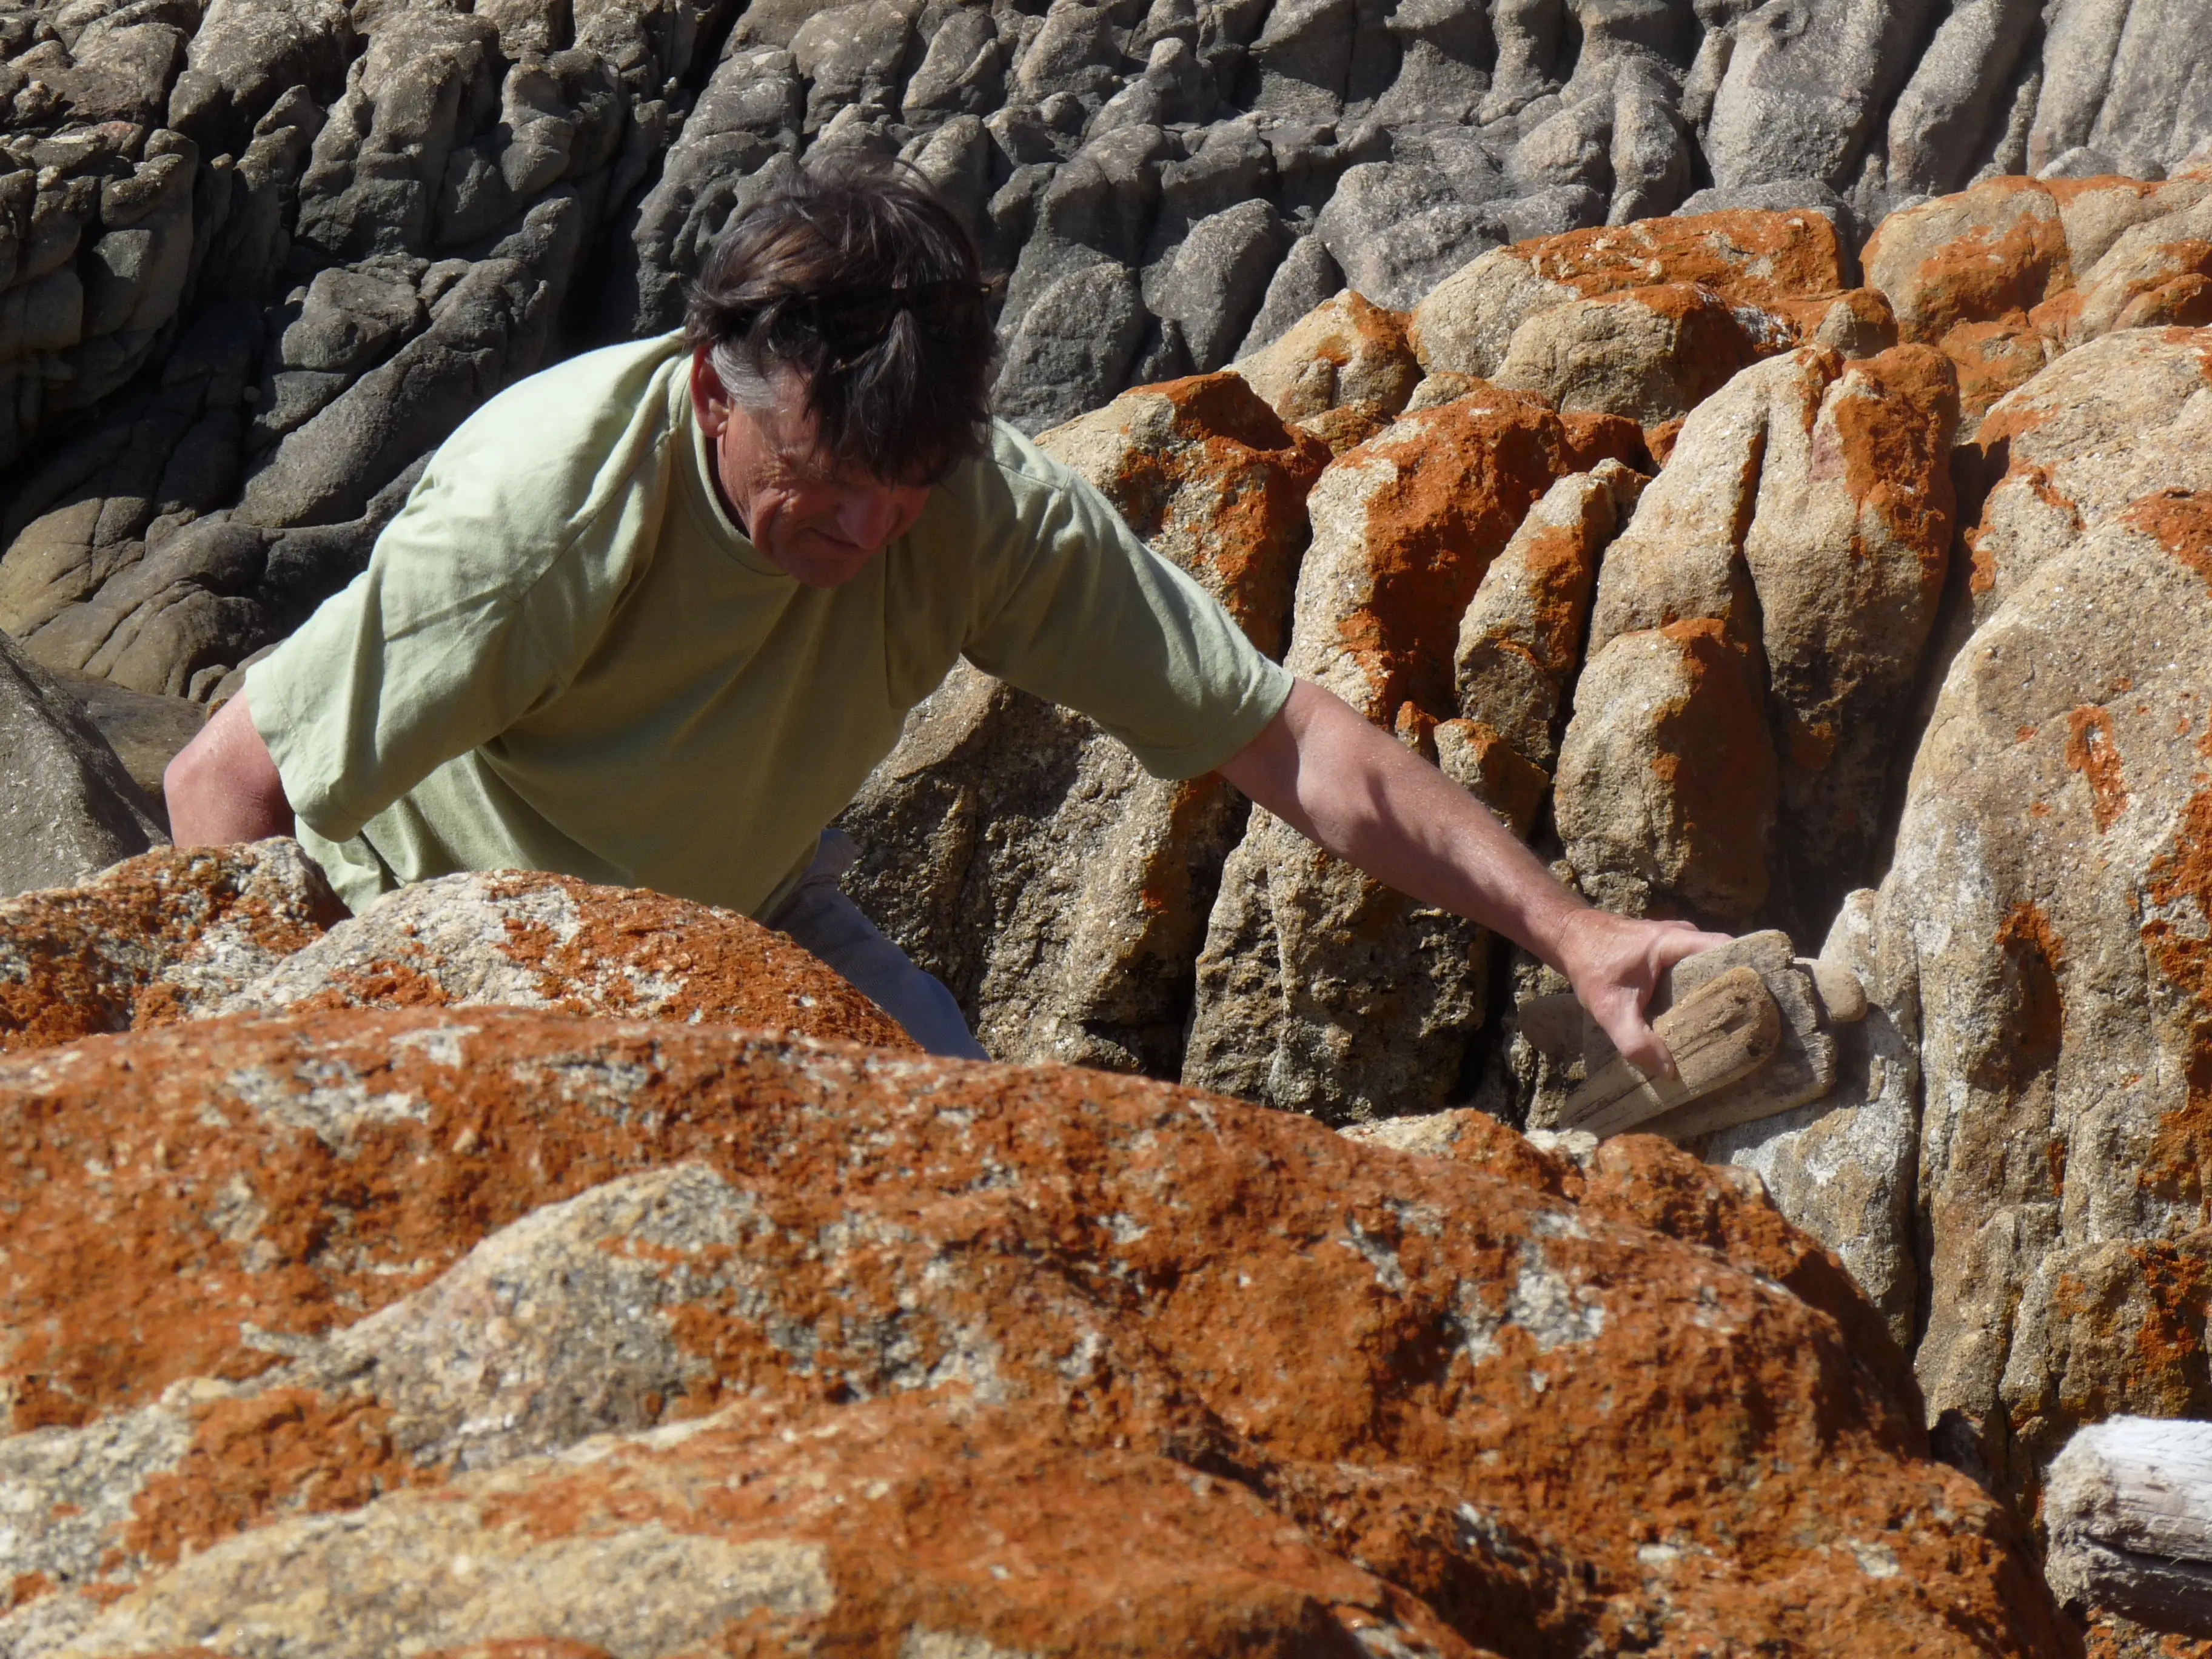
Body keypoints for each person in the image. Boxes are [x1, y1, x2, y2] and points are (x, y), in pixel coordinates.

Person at [166, 159, 1726, 1071]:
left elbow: (1288, 740)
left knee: (973, 1164)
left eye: (902, 498)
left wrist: (1574, 934)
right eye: (828, 479)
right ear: (720, 385)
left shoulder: (971, 500)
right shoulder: (545, 510)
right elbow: (221, 789)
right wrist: (267, 1084)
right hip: (439, 930)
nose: (865, 533)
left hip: (747, 924)